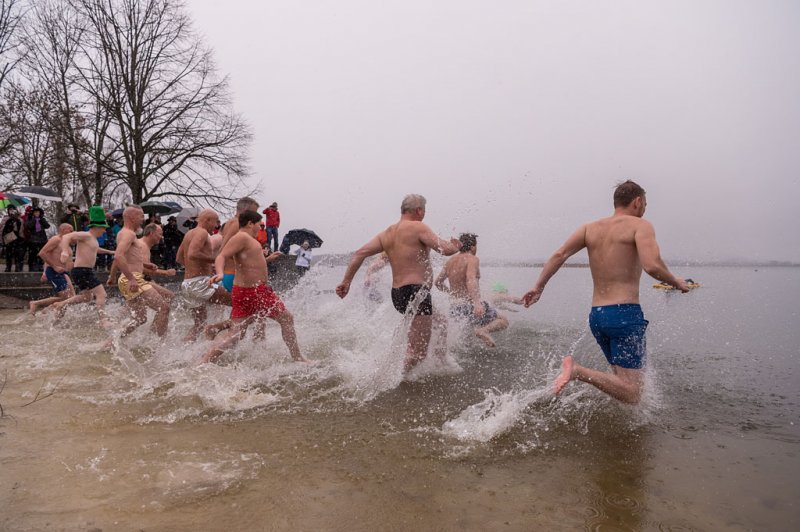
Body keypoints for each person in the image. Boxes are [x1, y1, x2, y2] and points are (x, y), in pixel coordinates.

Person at [522, 180, 689, 404]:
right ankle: (578, 372)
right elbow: (652, 265)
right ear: (638, 201)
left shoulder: (589, 228)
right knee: (633, 393)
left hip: (598, 316)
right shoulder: (640, 226)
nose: (645, 209)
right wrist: (676, 282)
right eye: (645, 204)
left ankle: (619, 428)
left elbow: (559, 255)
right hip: (624, 314)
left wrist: (538, 287)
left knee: (622, 382)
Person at [336, 194, 461, 372]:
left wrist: (346, 282)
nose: (424, 214)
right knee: (417, 353)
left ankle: (441, 361)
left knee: (440, 323)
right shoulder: (418, 227)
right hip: (416, 292)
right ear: (419, 210)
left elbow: (359, 254)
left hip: (398, 294)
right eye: (424, 211)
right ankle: (386, 379)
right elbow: (444, 249)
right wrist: (456, 246)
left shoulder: (387, 233)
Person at [202, 210, 307, 364]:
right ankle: (298, 358)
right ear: (250, 223)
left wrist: (268, 259)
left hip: (245, 291)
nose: (260, 228)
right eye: (259, 224)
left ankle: (205, 360)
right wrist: (220, 273)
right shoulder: (242, 237)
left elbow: (250, 263)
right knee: (287, 318)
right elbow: (222, 256)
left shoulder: (247, 239)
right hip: (255, 291)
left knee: (237, 333)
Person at [435, 233, 509, 347]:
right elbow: (470, 279)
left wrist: (451, 293)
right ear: (473, 246)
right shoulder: (472, 259)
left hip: (455, 308)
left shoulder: (450, 261)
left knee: (467, 330)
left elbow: (438, 283)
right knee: (503, 320)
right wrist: (477, 303)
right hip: (470, 305)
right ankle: (483, 331)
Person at [52, 205, 115, 327]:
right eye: (103, 228)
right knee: (102, 294)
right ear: (97, 227)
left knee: (86, 297)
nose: (104, 231)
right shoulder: (86, 235)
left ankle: (61, 304)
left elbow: (96, 249)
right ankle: (103, 320)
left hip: (81, 271)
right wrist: (65, 251)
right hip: (83, 270)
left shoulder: (93, 239)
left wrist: (110, 252)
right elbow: (66, 236)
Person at [175, 208, 233, 341]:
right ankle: (220, 333)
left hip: (188, 284)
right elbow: (192, 254)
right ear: (207, 220)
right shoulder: (202, 232)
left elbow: (179, 258)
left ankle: (183, 352)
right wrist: (215, 260)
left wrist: (198, 267)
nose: (217, 225)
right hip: (201, 283)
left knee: (198, 325)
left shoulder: (189, 233)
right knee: (239, 304)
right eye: (215, 222)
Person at [113, 207, 171, 338]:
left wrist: (144, 264)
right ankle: (160, 344)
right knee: (164, 308)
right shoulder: (129, 234)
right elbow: (118, 256)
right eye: (140, 216)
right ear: (132, 217)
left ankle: (113, 341)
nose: (142, 220)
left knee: (140, 318)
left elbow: (126, 257)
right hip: (133, 279)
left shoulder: (125, 233)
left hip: (128, 278)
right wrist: (132, 279)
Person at [29, 223, 76, 316]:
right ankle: (36, 304)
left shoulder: (65, 242)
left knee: (70, 297)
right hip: (54, 271)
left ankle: (48, 312)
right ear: (63, 230)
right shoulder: (56, 239)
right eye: (70, 230)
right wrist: (53, 267)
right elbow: (42, 253)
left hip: (64, 273)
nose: (72, 232)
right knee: (65, 298)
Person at [24, 207, 50, 272]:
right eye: (35, 212)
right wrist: (34, 219)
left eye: (38, 212)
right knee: (33, 253)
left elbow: (47, 226)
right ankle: (32, 266)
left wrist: (41, 219)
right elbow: (28, 226)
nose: (37, 213)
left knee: (41, 253)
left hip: (42, 239)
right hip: (33, 239)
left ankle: (40, 265)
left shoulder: (42, 219)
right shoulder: (30, 219)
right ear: (33, 213)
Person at [2, 206, 25, 272]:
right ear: (8, 211)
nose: (11, 211)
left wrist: (22, 238)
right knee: (8, 254)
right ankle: (8, 267)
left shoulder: (19, 219)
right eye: (10, 210)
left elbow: (21, 229)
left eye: (13, 210)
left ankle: (17, 267)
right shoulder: (5, 219)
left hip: (17, 239)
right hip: (8, 237)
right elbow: (2, 229)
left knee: (17, 254)